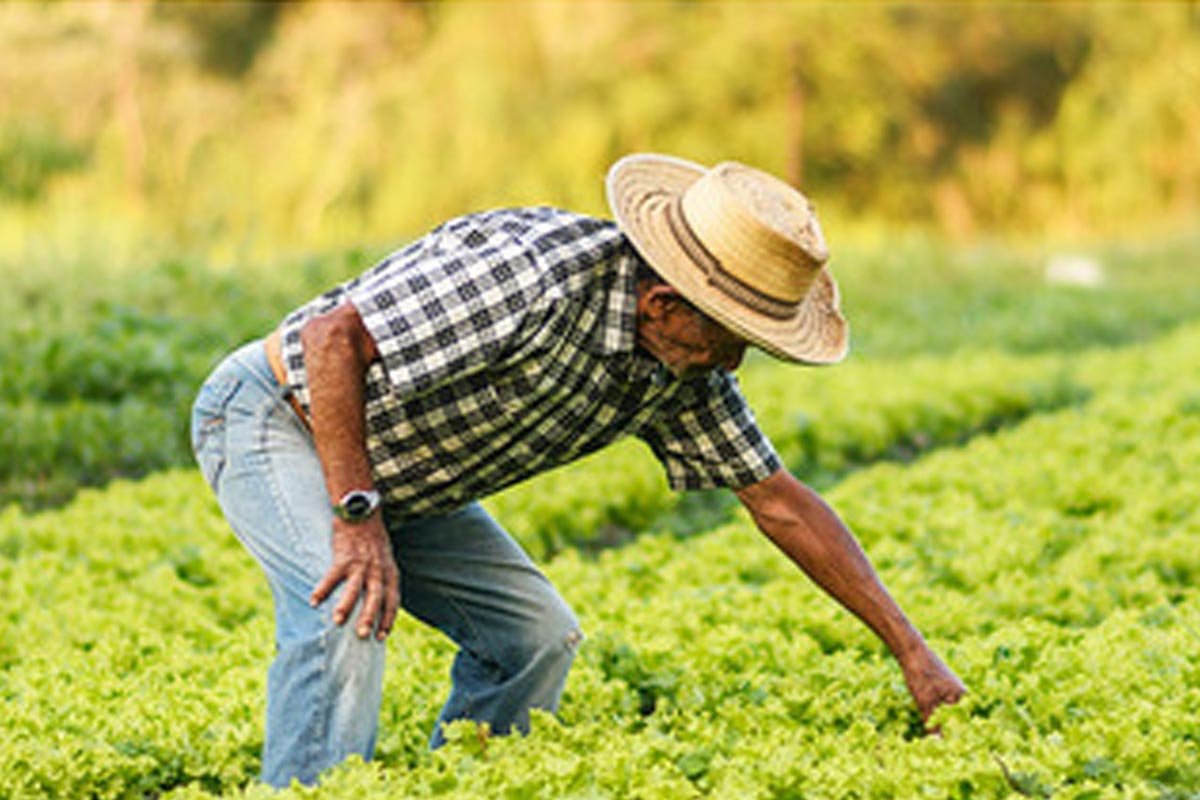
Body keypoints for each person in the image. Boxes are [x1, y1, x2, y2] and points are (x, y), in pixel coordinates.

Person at [190, 153, 965, 787]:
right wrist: (356, 517)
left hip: (408, 472)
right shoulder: (531, 277)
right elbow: (332, 339)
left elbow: (779, 502)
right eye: (732, 338)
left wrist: (911, 650)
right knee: (346, 613)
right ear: (665, 302)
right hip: (280, 417)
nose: (735, 362)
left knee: (534, 637)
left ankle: (464, 782)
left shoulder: (681, 369)